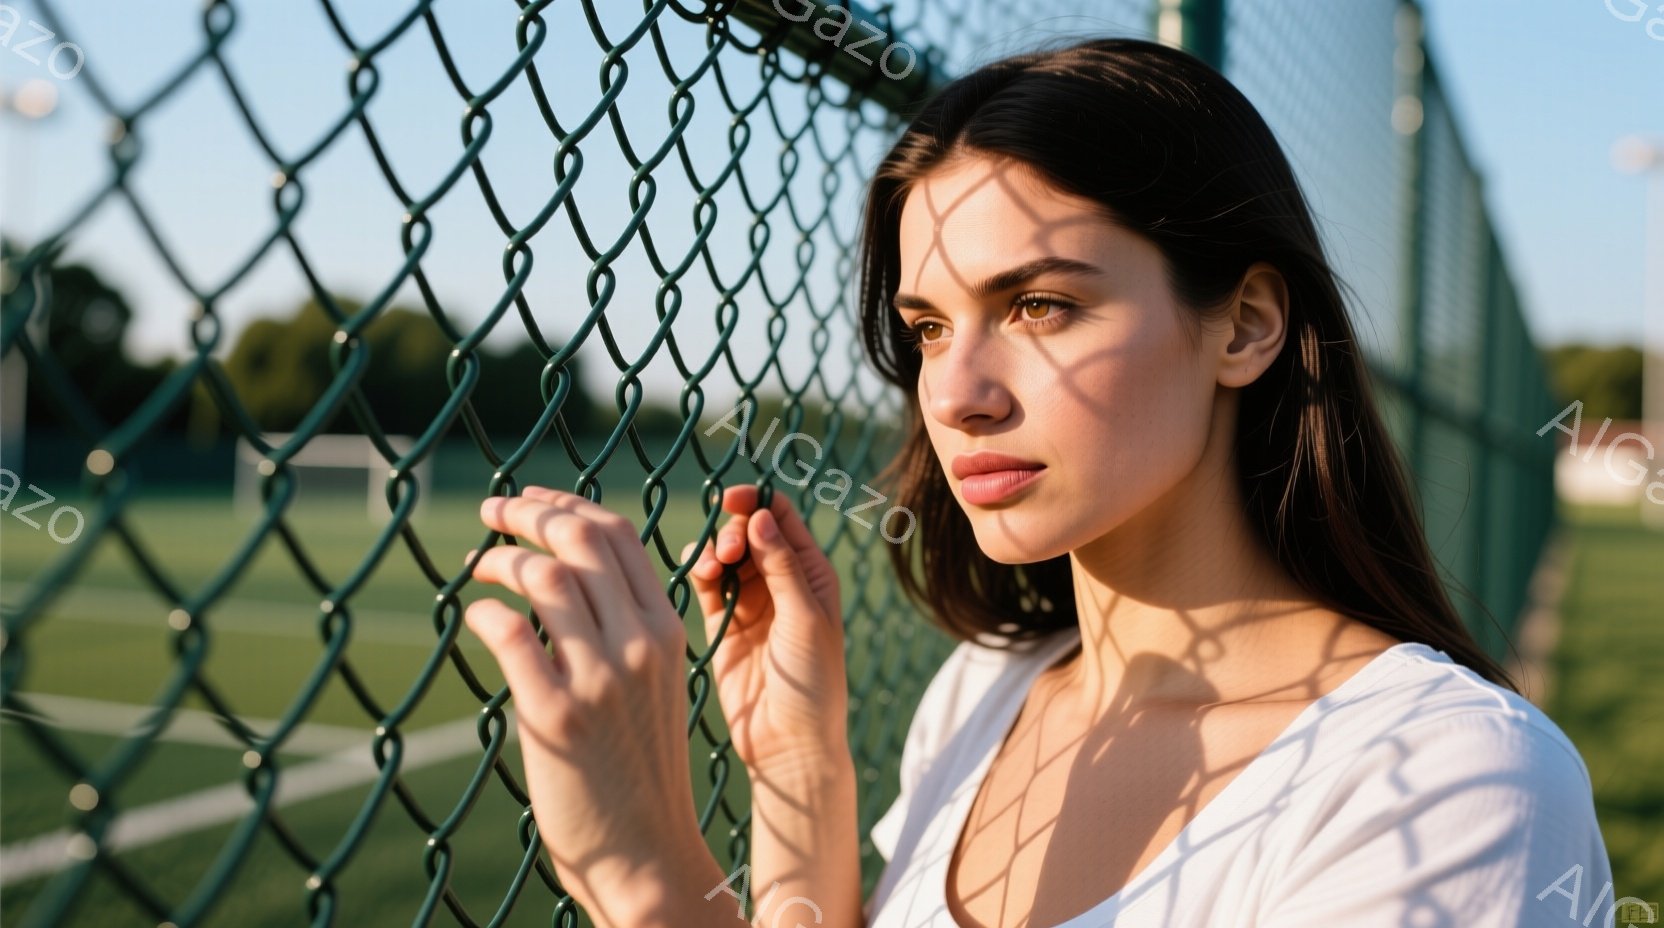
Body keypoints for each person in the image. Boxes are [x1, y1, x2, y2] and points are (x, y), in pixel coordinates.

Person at [461, 36, 1613, 928]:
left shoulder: (1448, 777)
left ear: (1246, 324)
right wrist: (804, 774)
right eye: (923, 326)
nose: (956, 391)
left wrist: (651, 885)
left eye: (1039, 305)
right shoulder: (984, 693)